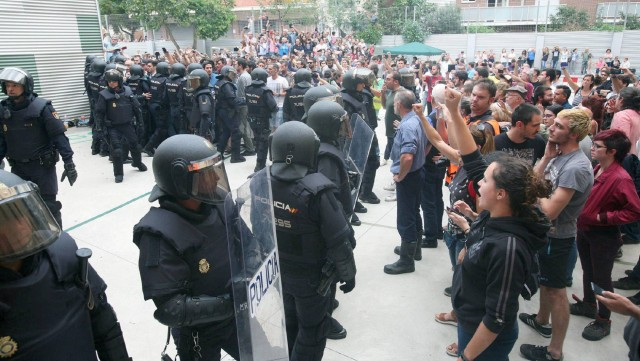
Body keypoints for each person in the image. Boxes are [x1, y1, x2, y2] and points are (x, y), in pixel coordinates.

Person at [439, 87, 552, 361]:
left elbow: (497, 317)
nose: (479, 182)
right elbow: (471, 157)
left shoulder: (508, 248)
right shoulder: (498, 214)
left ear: (501, 193)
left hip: (484, 336)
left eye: (485, 181)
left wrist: (468, 356)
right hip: (470, 320)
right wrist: (453, 112)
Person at [0, 170, 132, 361]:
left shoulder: (64, 254)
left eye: (20, 212)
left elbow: (104, 325)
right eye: (5, 219)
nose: (20, 226)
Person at [133, 134, 239, 360]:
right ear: (180, 181)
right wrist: (230, 303)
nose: (214, 178)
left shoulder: (219, 203)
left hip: (238, 316)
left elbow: (246, 244)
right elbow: (170, 308)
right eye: (205, 173)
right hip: (199, 331)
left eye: (214, 169)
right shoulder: (157, 234)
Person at [269, 121, 356, 360]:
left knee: (289, 322)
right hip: (311, 279)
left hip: (278, 273)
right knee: (313, 330)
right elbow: (340, 240)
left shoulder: (261, 182)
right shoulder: (318, 191)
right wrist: (348, 274)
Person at [520, 109, 594, 361]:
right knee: (546, 283)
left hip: (557, 238)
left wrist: (536, 192)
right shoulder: (557, 155)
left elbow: (550, 210)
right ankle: (541, 320)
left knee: (556, 291)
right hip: (545, 235)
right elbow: (533, 179)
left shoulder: (576, 167)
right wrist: (546, 158)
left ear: (574, 134)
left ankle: (554, 351)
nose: (551, 128)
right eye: (553, 123)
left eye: (559, 126)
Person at [570, 129, 640, 341]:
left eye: (597, 146)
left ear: (611, 151)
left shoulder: (620, 178)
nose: (592, 148)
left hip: (603, 236)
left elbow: (635, 210)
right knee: (588, 271)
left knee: (602, 277)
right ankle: (589, 304)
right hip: (585, 230)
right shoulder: (599, 168)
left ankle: (603, 319)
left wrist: (604, 218)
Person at [306, 100, 358, 340]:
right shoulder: (326, 155)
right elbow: (330, 198)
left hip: (332, 220)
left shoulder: (324, 147)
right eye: (339, 125)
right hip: (330, 225)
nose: (343, 129)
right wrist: (342, 231)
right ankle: (322, 319)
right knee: (329, 270)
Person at [0, 67, 77, 227]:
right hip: (18, 167)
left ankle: (57, 240)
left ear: (26, 86)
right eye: (7, 85)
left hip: (42, 168)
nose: (10, 89)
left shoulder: (42, 108)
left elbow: (59, 137)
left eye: (14, 85)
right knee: (24, 208)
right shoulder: (3, 109)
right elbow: (2, 141)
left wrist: (69, 163)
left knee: (49, 206)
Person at [384, 90, 427, 275]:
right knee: (413, 212)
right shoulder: (416, 119)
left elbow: (408, 156)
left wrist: (400, 176)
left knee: (405, 218)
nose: (393, 105)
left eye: (394, 102)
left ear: (399, 105)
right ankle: (414, 250)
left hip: (409, 176)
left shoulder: (408, 125)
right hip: (417, 173)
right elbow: (427, 144)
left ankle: (406, 261)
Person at [94, 69, 147, 183]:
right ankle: (118, 174)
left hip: (127, 125)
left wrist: (140, 123)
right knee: (117, 151)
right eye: (109, 81)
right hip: (113, 127)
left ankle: (137, 163)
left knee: (135, 145)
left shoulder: (127, 91)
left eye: (114, 81)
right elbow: (99, 113)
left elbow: (137, 109)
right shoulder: (104, 95)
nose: (111, 83)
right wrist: (99, 128)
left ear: (119, 81)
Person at [341, 68, 381, 205]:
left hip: (367, 134)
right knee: (355, 169)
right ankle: (356, 195)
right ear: (352, 84)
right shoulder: (345, 100)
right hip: (355, 140)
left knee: (373, 162)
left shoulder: (362, 95)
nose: (364, 85)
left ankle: (365, 192)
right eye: (360, 83)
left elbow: (369, 118)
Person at [245, 67, 277, 173]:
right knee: (263, 142)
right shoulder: (265, 91)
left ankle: (259, 163)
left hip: (252, 119)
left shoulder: (248, 88)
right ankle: (260, 165)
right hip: (263, 120)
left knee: (257, 141)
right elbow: (273, 107)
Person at [215, 65, 245, 163]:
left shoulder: (219, 82)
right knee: (236, 132)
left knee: (226, 132)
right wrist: (245, 100)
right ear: (226, 73)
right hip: (228, 111)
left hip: (222, 111)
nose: (233, 76)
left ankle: (219, 153)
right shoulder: (226, 85)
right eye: (231, 73)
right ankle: (235, 156)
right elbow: (232, 101)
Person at [142, 61, 171, 156]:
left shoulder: (153, 78)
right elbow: (164, 97)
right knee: (161, 128)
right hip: (160, 107)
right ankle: (148, 147)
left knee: (158, 127)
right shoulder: (165, 80)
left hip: (152, 105)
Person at [185, 68, 215, 143]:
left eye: (195, 82)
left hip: (203, 132)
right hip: (198, 129)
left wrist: (202, 134)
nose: (192, 84)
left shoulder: (203, 96)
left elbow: (206, 117)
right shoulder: (198, 94)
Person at [86, 58, 109, 156]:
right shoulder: (102, 80)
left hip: (94, 104)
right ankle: (104, 150)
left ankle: (95, 148)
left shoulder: (89, 77)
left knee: (97, 126)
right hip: (102, 106)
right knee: (104, 128)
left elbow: (89, 91)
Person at [235, 58, 256, 157]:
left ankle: (250, 148)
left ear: (240, 65)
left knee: (243, 126)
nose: (235, 66)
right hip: (248, 103)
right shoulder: (248, 76)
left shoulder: (242, 77)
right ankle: (250, 146)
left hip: (243, 105)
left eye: (236, 64)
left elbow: (240, 94)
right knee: (247, 126)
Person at [165, 63, 187, 136]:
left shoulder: (167, 81)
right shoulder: (182, 82)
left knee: (173, 126)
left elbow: (164, 96)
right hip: (180, 108)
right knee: (182, 127)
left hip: (171, 107)